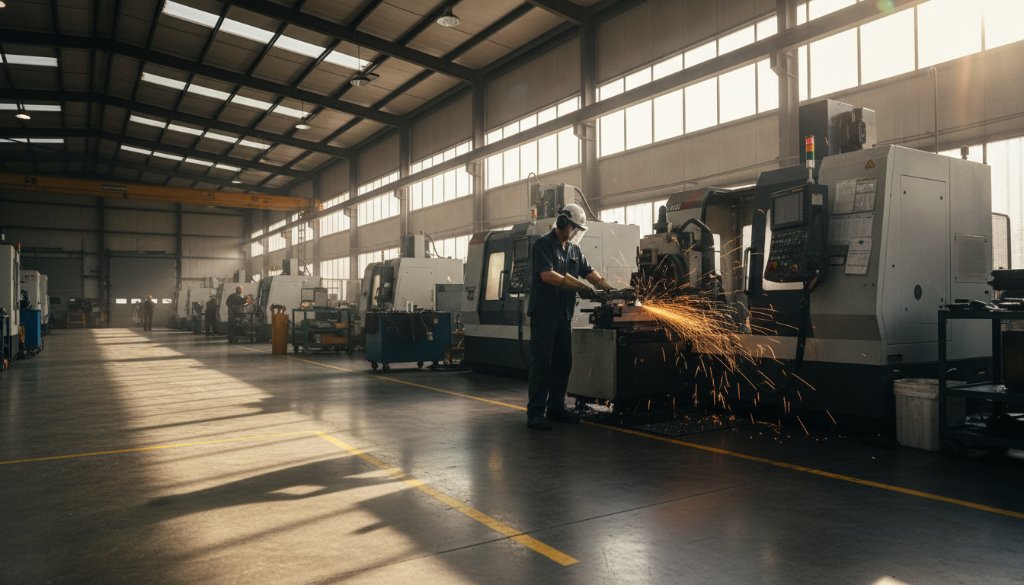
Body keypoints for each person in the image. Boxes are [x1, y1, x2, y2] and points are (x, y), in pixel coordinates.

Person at [526, 203, 614, 430]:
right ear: (564, 223)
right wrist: (579, 287)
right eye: (574, 228)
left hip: (564, 315)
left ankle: (555, 408)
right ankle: (535, 413)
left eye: (578, 230)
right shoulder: (543, 245)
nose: (575, 233)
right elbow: (547, 275)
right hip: (545, 314)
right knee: (542, 363)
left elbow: (589, 272)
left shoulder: (574, 251)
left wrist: (607, 287)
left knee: (563, 362)